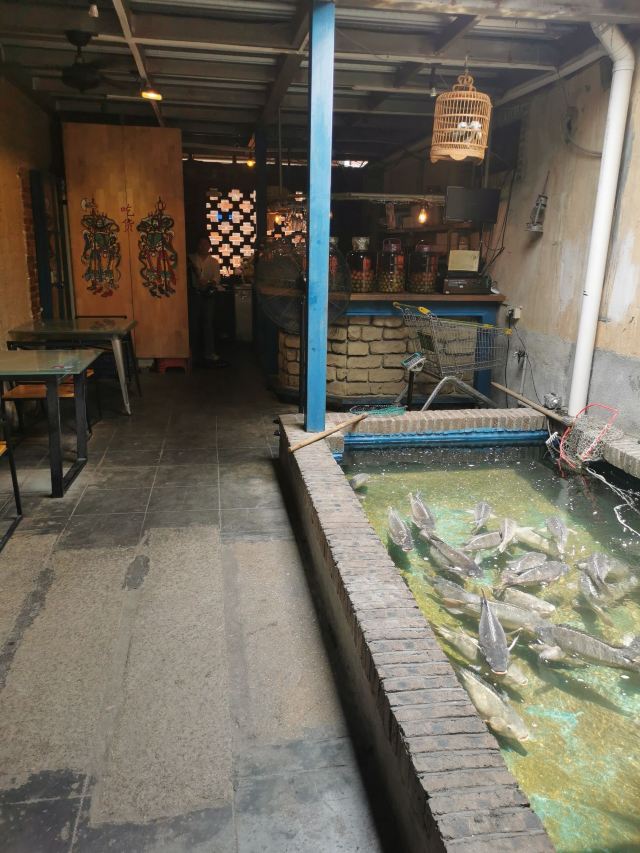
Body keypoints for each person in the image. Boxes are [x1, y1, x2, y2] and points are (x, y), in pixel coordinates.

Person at [188, 236, 229, 367]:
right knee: (193, 325)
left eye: (206, 244)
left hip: (208, 295)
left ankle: (209, 352)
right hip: (194, 294)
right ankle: (193, 353)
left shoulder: (214, 261)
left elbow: (217, 279)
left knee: (208, 324)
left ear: (209, 246)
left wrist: (208, 282)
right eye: (201, 244)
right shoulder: (191, 258)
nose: (203, 246)